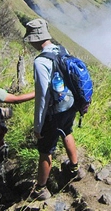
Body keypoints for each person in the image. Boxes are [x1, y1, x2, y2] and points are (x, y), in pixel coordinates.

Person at [23, 18, 85, 201]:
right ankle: (75, 169)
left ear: (35, 39)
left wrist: (38, 125)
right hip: (71, 104)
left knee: (46, 149)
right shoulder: (62, 49)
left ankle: (41, 189)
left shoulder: (41, 62)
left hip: (54, 110)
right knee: (67, 131)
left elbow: (42, 96)